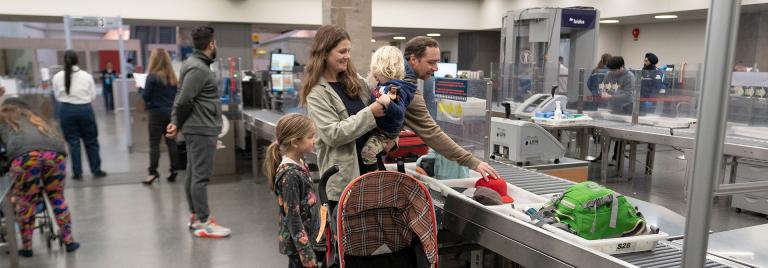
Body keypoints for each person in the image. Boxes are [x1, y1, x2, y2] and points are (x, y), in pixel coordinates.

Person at [303, 25, 388, 206]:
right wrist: (370, 113)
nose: (347, 56)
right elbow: (333, 134)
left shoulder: (356, 82)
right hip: (344, 182)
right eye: (342, 51)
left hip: (372, 170)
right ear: (324, 53)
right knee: (346, 234)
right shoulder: (317, 93)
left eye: (348, 51)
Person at [166, 26, 231, 238]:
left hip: (198, 127)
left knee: (194, 174)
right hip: (201, 129)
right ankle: (204, 221)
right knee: (200, 177)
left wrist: (176, 121)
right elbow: (184, 98)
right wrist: (176, 121)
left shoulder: (195, 65)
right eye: (216, 43)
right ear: (211, 44)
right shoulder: (198, 68)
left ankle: (196, 216)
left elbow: (183, 96)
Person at [401, 36, 498, 178]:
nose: (436, 68)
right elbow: (431, 132)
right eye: (431, 62)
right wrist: (472, 161)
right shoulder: (406, 88)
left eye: (437, 62)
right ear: (413, 59)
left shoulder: (397, 77)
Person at [0, 98, 80, 257]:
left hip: (25, 158)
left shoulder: (2, 119)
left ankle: (27, 247)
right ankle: (69, 241)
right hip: (55, 156)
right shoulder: (36, 118)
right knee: (57, 197)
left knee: (26, 201)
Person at [264, 114, 319, 268]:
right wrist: (305, 252)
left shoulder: (301, 162)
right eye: (310, 137)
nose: (314, 140)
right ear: (295, 142)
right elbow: (293, 216)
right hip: (298, 246)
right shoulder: (290, 175)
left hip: (306, 236)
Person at [52, 50, 107, 180]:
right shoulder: (86, 76)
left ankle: (77, 173)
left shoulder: (57, 76)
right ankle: (96, 170)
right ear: (77, 60)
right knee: (91, 141)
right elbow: (93, 96)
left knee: (73, 143)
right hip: (85, 110)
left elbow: (56, 95)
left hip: (66, 110)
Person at [360, 46, 415, 165]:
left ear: (384, 68)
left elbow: (400, 114)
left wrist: (388, 103)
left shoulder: (394, 89)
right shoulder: (382, 85)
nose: (373, 72)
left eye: (374, 68)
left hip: (384, 134)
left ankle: (373, 178)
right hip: (379, 129)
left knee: (367, 153)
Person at [141, 48, 180, 184]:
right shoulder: (173, 77)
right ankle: (174, 170)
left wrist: (141, 89)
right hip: (171, 113)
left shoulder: (152, 77)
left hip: (156, 114)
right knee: (171, 142)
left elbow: (146, 97)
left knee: (154, 144)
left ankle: (152, 173)